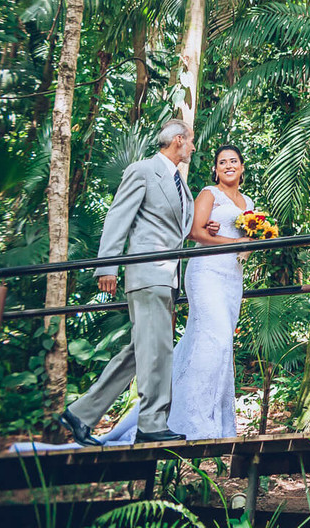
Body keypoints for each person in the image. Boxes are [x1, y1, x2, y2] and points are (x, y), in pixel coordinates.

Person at [59, 119, 197, 445]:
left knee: (141, 351)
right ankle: (151, 423)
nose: (193, 147)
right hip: (148, 274)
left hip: (166, 276)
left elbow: (176, 228)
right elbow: (118, 215)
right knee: (158, 351)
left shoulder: (179, 180)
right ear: (178, 140)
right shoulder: (143, 171)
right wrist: (107, 266)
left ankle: (81, 413)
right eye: (190, 141)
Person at [167, 144, 253, 440]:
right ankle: (193, 421)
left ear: (242, 167)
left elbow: (249, 242)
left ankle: (217, 421)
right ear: (215, 169)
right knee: (214, 341)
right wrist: (233, 244)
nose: (228, 165)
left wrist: (252, 242)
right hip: (206, 273)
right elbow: (195, 232)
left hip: (232, 278)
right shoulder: (209, 193)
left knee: (216, 344)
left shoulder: (248, 201)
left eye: (234, 161)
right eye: (222, 162)